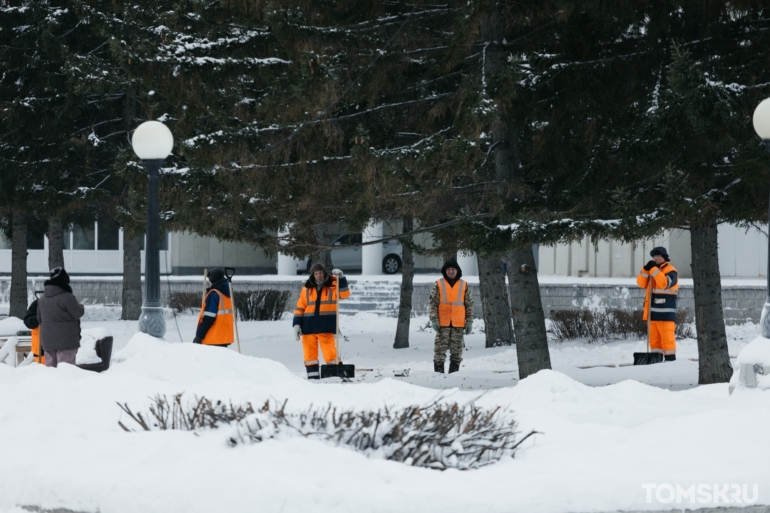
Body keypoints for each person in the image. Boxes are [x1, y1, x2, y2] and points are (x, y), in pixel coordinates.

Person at [292, 263, 350, 379]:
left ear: (324, 274)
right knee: (309, 355)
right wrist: (297, 324)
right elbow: (300, 307)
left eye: (320, 273)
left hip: (326, 326)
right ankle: (313, 377)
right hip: (308, 327)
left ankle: (336, 374)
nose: (318, 276)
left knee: (330, 353)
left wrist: (342, 278)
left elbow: (345, 294)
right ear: (313, 275)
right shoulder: (306, 289)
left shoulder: (333, 285)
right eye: (316, 273)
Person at [429, 259, 474, 374]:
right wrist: (434, 319)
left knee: (457, 353)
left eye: (453, 269)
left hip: (458, 325)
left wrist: (469, 322)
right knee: (439, 352)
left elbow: (469, 304)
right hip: (442, 325)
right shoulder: (439, 284)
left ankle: (454, 377)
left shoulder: (464, 285)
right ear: (445, 271)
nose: (451, 271)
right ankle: (438, 376)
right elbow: (433, 303)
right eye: (448, 269)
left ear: (457, 271)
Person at [636, 246, 678, 361]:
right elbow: (641, 283)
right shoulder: (652, 270)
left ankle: (670, 361)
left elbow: (664, 283)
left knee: (667, 339)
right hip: (652, 313)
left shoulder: (671, 271)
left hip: (665, 313)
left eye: (658, 256)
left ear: (664, 257)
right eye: (654, 256)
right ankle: (656, 360)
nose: (656, 258)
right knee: (654, 341)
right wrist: (645, 269)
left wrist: (654, 270)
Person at [36, 267, 84, 367]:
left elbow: (39, 319)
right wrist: (81, 307)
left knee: (51, 372)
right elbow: (77, 314)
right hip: (66, 341)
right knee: (66, 371)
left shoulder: (42, 299)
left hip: (48, 341)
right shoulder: (68, 297)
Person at [193, 268, 234, 347]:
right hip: (224, 337)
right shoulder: (227, 292)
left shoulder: (214, 294)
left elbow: (209, 318)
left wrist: (199, 336)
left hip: (212, 338)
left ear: (212, 280)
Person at [23, 293, 44, 364]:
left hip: (62, 350)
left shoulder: (65, 303)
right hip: (40, 349)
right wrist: (38, 318)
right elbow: (27, 321)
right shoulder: (38, 303)